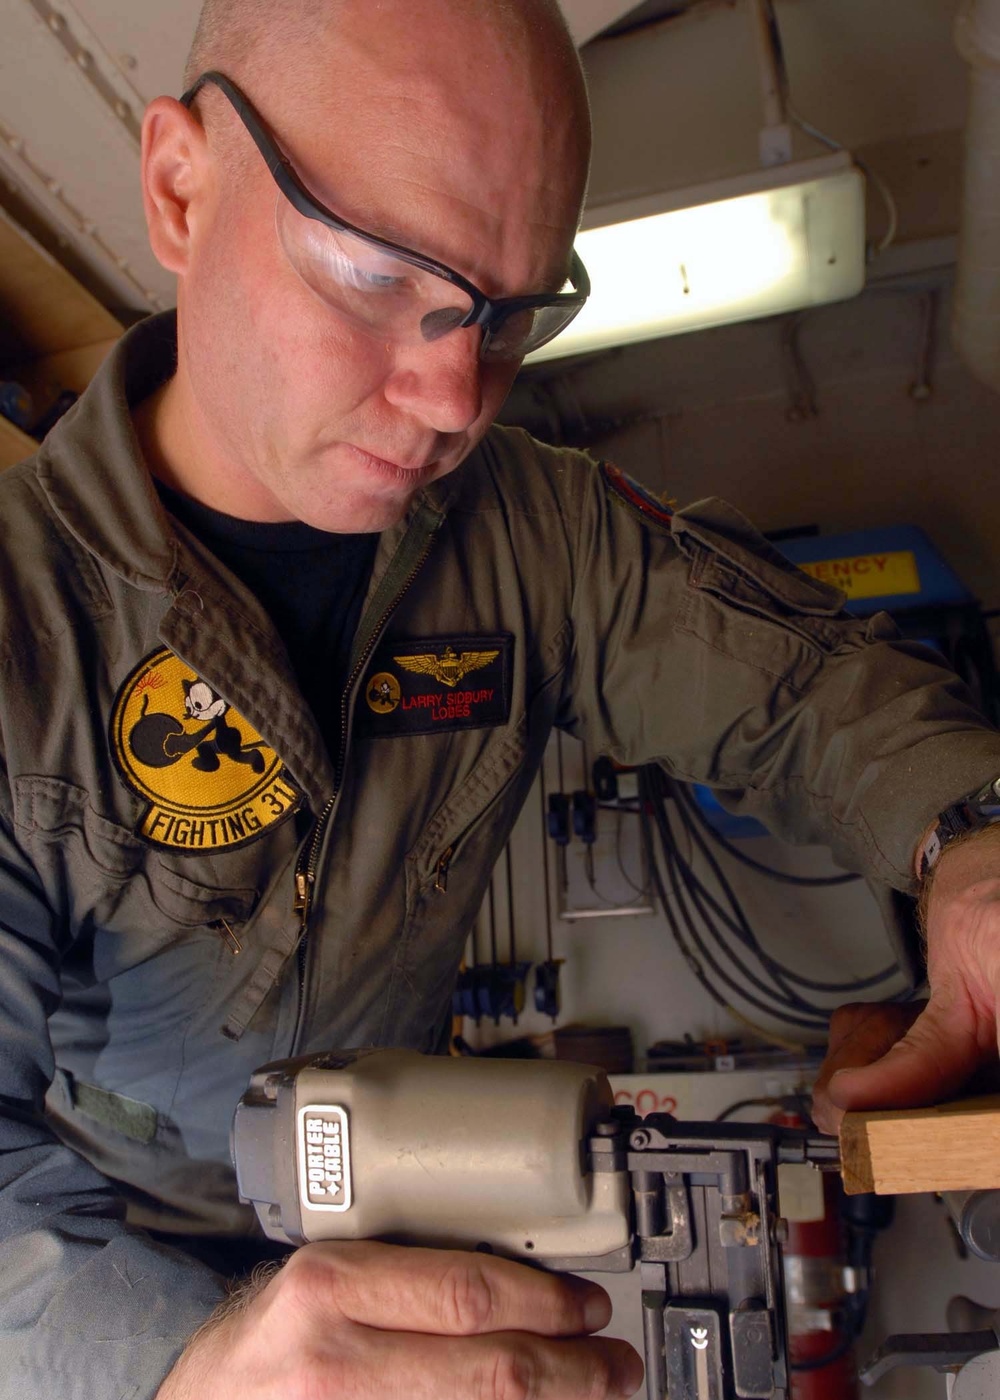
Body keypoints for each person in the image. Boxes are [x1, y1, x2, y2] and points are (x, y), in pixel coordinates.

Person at [2, 1, 1000, 1397]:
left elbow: (797, 686)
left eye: (514, 310)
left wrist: (967, 839)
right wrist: (185, 1368)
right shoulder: (20, 633)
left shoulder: (529, 532)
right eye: (373, 271)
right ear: (179, 188)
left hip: (402, 1210)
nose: (453, 394)